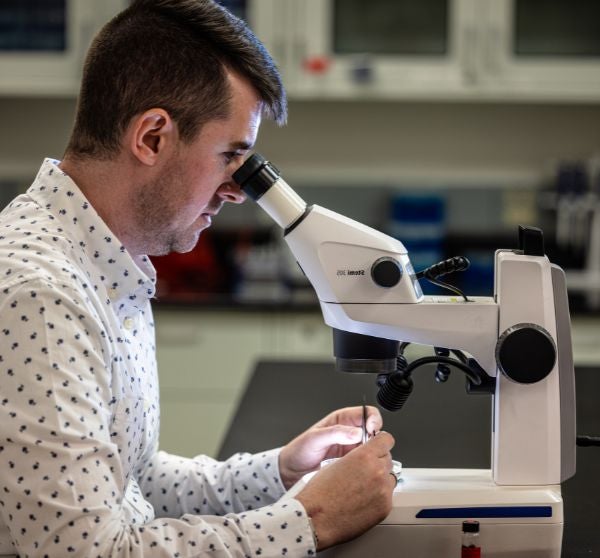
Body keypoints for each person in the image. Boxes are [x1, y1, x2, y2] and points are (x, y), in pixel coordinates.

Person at [0, 0, 396, 556]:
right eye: (230, 156)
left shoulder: (107, 263)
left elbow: (130, 482)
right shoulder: (40, 295)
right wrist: (313, 518)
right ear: (153, 137)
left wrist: (280, 471)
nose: (237, 190)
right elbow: (91, 551)